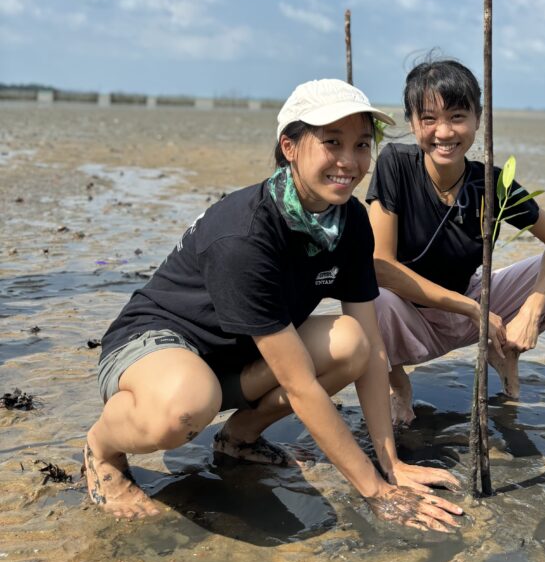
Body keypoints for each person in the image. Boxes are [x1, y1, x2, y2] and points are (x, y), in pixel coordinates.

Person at [84, 79, 462, 531]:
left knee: (354, 343)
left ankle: (239, 439)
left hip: (243, 356)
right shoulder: (245, 235)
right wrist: (376, 491)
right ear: (290, 147)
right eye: (331, 143)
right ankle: (102, 447)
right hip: (156, 347)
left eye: (362, 145)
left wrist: (391, 463)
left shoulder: (350, 221)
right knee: (184, 406)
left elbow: (374, 350)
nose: (349, 161)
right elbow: (299, 385)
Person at [366, 59, 545, 426]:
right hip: (411, 315)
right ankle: (397, 384)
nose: (444, 132)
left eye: (457, 116)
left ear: (478, 118)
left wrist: (529, 312)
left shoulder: (491, 183)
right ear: (413, 122)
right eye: (429, 119)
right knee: (370, 296)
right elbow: (381, 267)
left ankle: (505, 349)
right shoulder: (395, 165)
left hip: (474, 304)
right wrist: (471, 310)